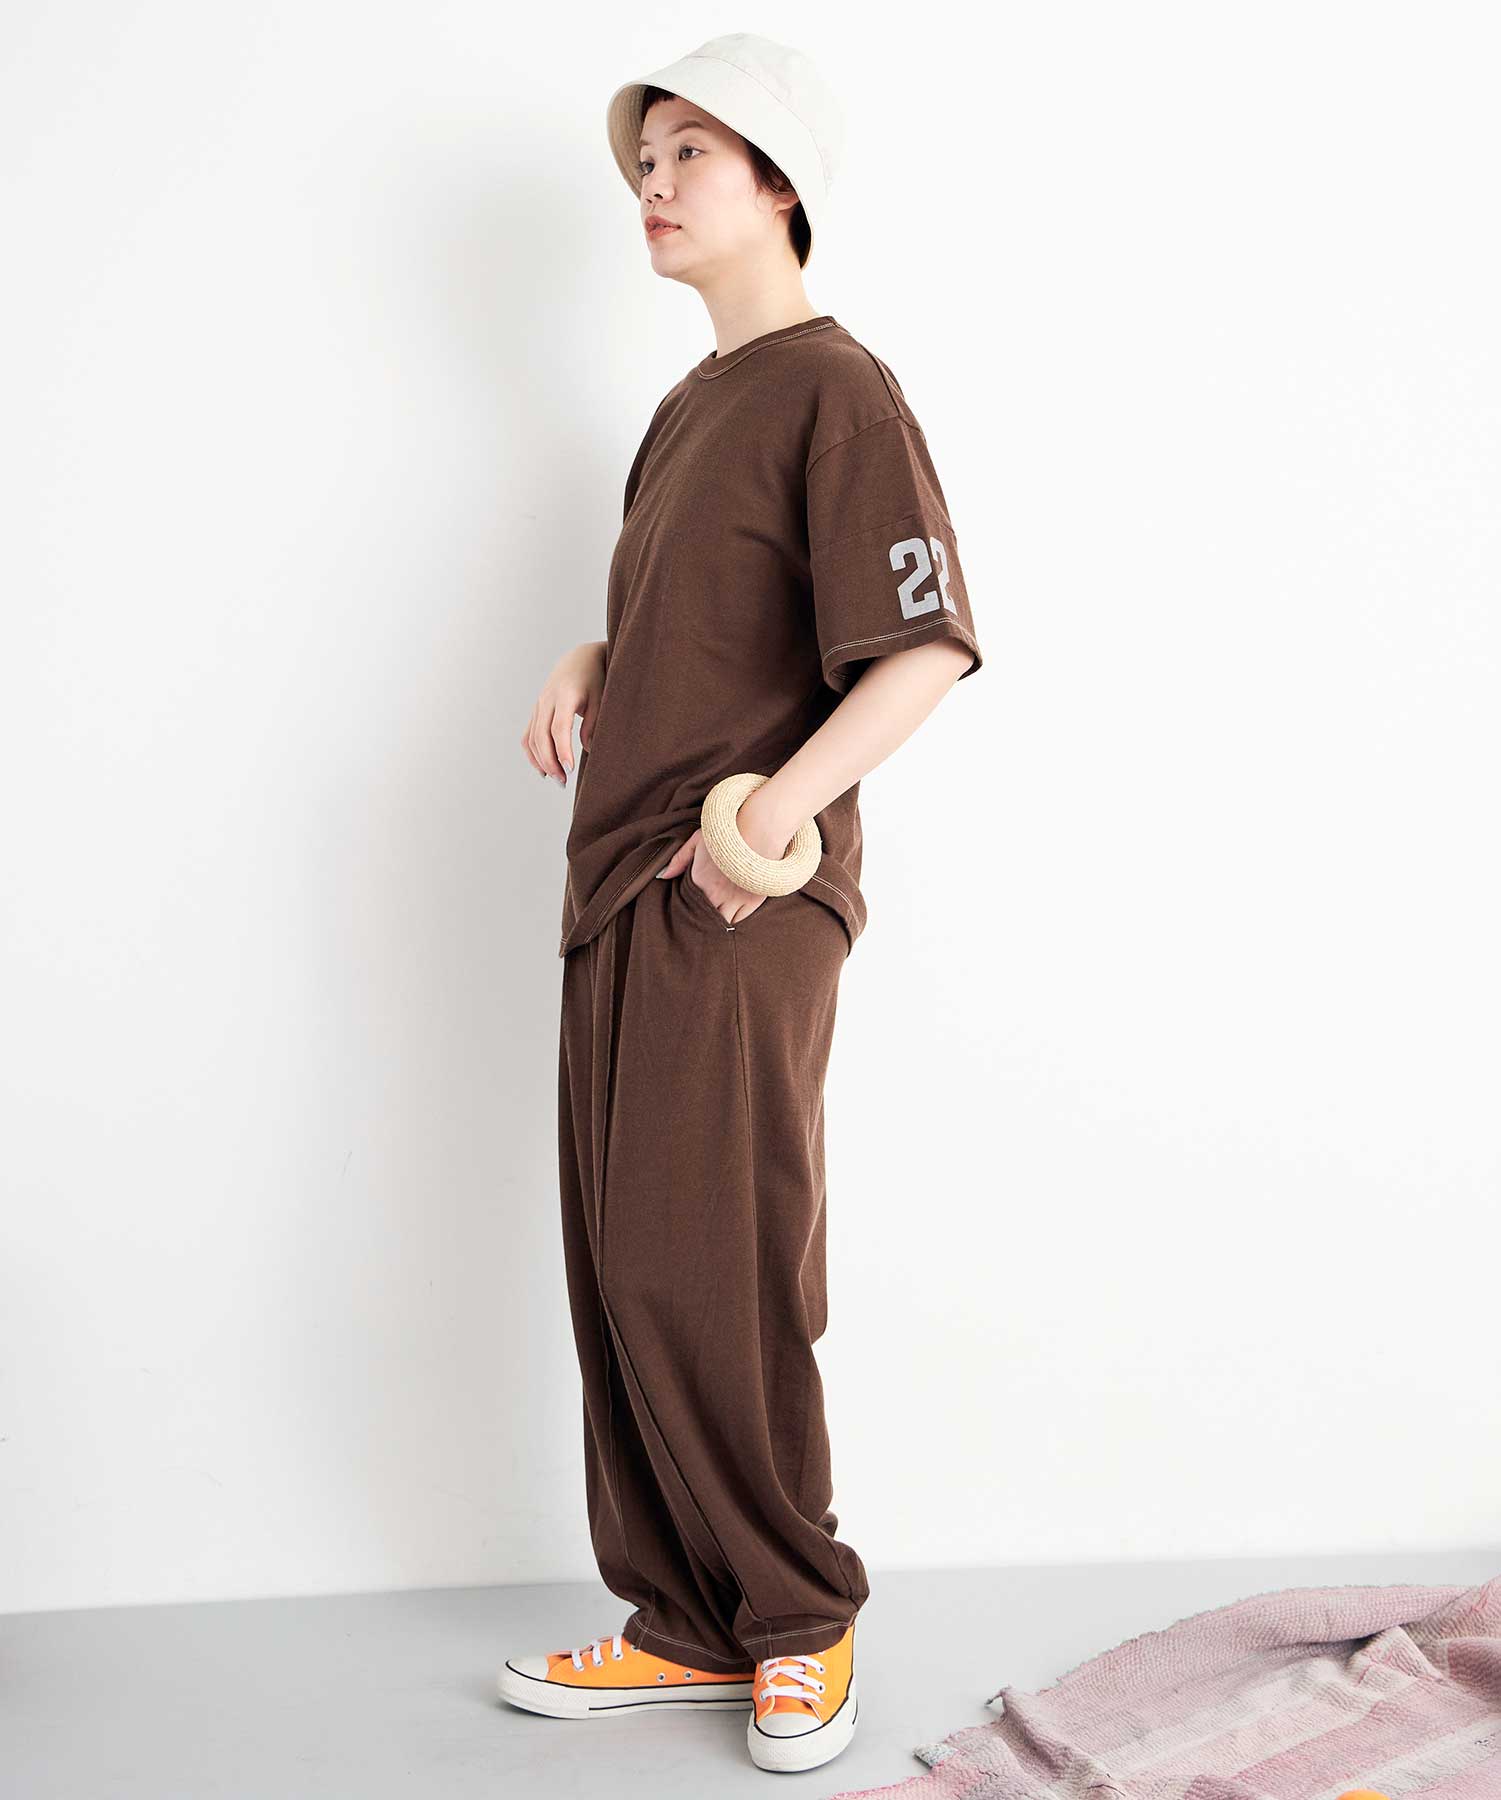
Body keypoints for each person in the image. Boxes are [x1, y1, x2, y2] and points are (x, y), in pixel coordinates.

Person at [499, 33, 984, 1776]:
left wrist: (761, 826)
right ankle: (687, 1625)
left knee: (713, 1261)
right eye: (646, 158)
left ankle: (797, 1616)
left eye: (692, 152)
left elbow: (919, 649)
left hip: (733, 896)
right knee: (624, 1271)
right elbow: (718, 628)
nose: (655, 182)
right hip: (620, 888)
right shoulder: (688, 410)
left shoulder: (836, 393)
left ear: (780, 184)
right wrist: (596, 652)